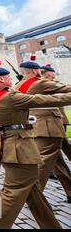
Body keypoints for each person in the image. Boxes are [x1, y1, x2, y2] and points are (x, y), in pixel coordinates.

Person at [0, 59, 71, 229]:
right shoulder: (10, 97)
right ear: (0, 80)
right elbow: (44, 100)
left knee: (33, 191)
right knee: (11, 192)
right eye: (8, 77)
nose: (11, 80)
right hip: (18, 150)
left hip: (3, 147)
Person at [14, 56, 71, 201]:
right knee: (44, 162)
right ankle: (32, 195)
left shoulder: (18, 85)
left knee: (58, 161)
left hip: (34, 126)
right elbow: (65, 89)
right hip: (49, 126)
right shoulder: (40, 83)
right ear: (35, 70)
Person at [40, 64, 71, 203]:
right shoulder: (40, 85)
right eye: (49, 77)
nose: (52, 80)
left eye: (53, 77)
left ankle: (34, 195)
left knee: (57, 157)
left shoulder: (50, 85)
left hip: (57, 122)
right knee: (57, 158)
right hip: (48, 125)